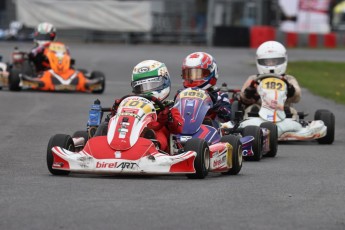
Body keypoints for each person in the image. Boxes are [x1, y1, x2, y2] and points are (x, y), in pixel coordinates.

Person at [112, 60, 184, 152]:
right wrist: (116, 110)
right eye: (141, 87)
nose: (147, 91)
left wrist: (169, 118)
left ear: (164, 82)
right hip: (130, 133)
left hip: (157, 143)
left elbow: (179, 128)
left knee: (156, 133)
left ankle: (150, 145)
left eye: (152, 85)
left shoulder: (169, 108)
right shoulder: (131, 104)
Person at [240, 40, 301, 119]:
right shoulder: (254, 79)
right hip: (259, 111)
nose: (271, 64)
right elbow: (243, 98)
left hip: (283, 110)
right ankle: (251, 129)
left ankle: (291, 128)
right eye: (267, 62)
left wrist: (291, 90)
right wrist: (249, 92)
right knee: (251, 109)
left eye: (274, 61)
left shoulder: (288, 79)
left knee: (291, 111)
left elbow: (297, 97)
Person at [179, 51, 232, 125]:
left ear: (212, 72)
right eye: (189, 74)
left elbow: (228, 116)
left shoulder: (219, 96)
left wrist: (218, 108)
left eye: (198, 74)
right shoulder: (180, 94)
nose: (193, 78)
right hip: (182, 127)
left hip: (209, 129)